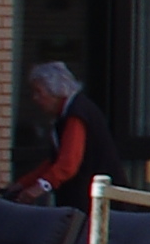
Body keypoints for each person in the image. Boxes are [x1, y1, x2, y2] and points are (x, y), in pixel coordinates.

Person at [7, 58, 117, 207]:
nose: (35, 98)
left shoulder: (76, 115)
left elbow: (68, 164)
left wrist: (40, 187)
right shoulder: (68, 114)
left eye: (39, 92)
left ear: (56, 91)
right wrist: (23, 184)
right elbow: (55, 162)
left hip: (94, 202)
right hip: (85, 200)